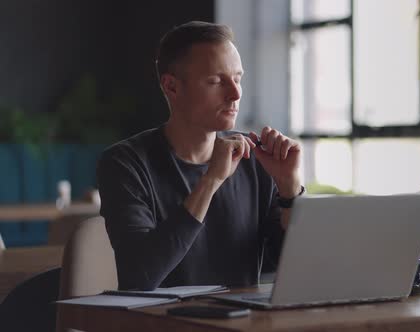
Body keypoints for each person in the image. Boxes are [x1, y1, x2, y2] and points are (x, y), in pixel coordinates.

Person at [97, 21, 303, 291]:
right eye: (216, 81)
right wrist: (210, 181)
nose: (236, 93)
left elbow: (287, 265)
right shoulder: (125, 163)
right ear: (171, 87)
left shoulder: (254, 159)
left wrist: (289, 190)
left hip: (242, 323)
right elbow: (140, 276)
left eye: (238, 78)